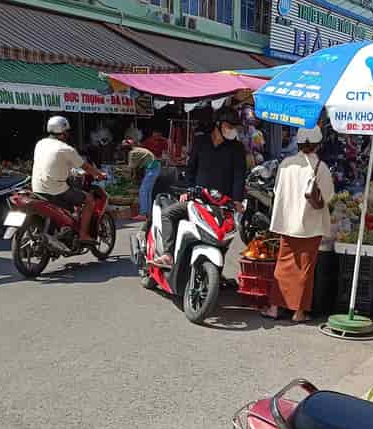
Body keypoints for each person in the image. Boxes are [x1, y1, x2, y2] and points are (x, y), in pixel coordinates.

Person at [153, 110, 246, 268]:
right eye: (229, 126)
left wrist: (237, 200)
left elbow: (239, 176)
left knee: (224, 235)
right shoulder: (200, 142)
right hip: (197, 199)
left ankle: (215, 267)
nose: (232, 130)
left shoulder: (237, 148)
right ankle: (168, 254)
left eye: (234, 127)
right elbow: (190, 170)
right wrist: (186, 191)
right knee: (167, 214)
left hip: (222, 204)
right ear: (218, 125)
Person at [262, 125, 334, 324]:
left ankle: (275, 307)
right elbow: (328, 196)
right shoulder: (321, 167)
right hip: (310, 226)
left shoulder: (286, 163)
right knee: (304, 269)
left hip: (287, 222)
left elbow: (277, 189)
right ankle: (298, 313)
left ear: (299, 143)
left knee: (283, 265)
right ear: (318, 144)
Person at [31, 116, 105, 244]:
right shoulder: (65, 148)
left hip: (37, 187)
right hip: (56, 189)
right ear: (63, 132)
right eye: (67, 132)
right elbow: (85, 167)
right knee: (89, 200)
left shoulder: (40, 143)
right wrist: (99, 174)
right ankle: (83, 235)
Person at [123, 139, 161, 220]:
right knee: (148, 192)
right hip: (155, 168)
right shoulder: (138, 149)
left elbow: (131, 168)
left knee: (143, 191)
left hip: (151, 169)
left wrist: (124, 174)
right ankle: (148, 214)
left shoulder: (132, 153)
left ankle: (143, 214)